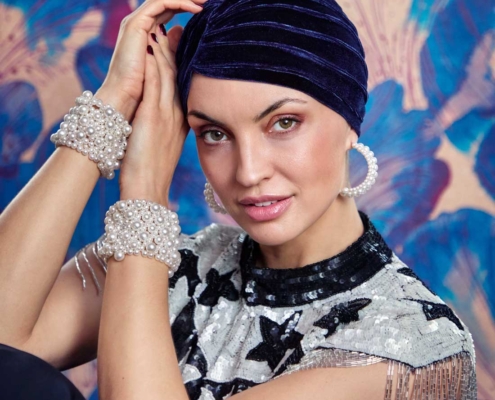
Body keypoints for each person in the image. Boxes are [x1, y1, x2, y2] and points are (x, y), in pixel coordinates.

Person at [0, 0, 476, 399]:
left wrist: (144, 188)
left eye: (283, 123)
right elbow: (6, 344)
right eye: (215, 133)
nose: (248, 171)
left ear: (351, 120)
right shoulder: (175, 264)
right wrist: (114, 101)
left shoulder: (416, 348)